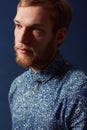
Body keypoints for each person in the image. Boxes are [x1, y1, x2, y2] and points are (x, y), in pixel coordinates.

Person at [8, 0, 87, 129]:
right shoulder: (17, 86)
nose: (22, 38)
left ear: (59, 36)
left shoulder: (77, 88)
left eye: (35, 29)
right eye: (18, 25)